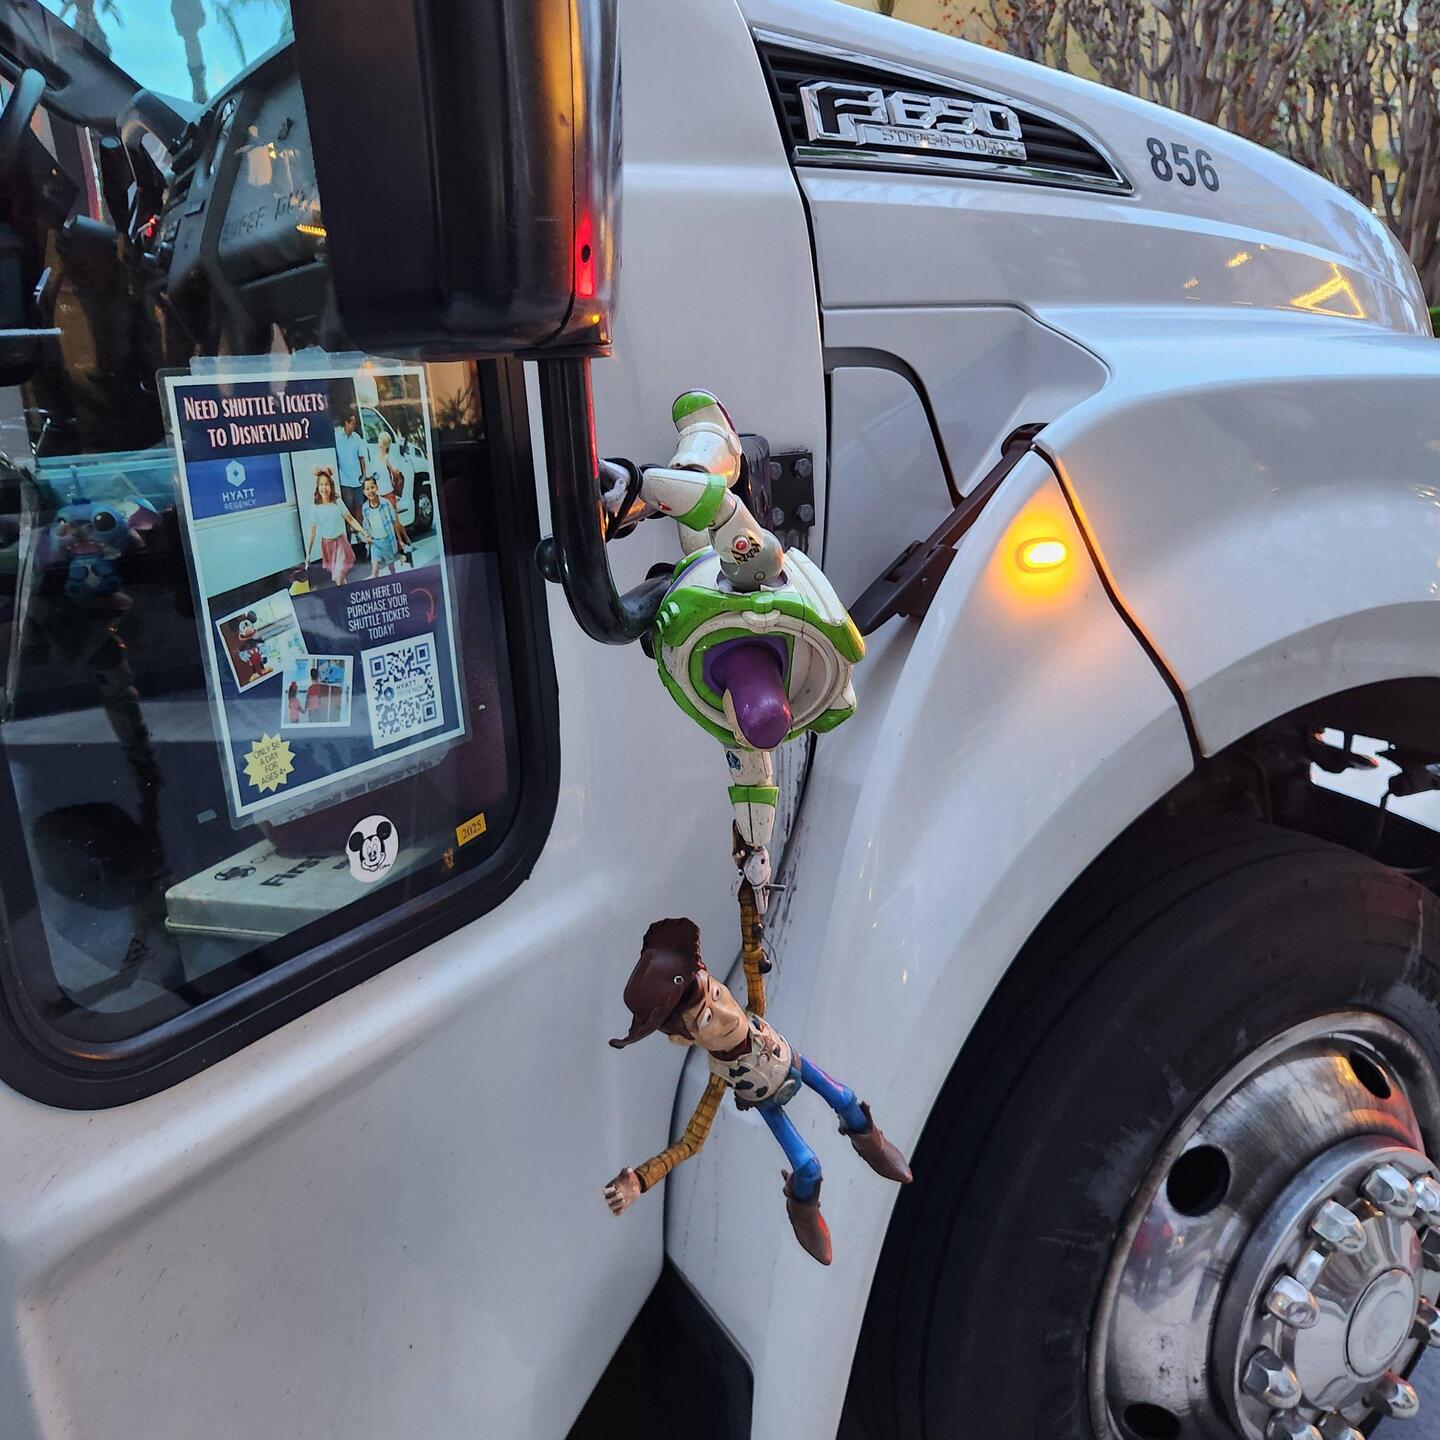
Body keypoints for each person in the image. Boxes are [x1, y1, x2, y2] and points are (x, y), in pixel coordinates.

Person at [602, 918, 911, 1265]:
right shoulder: (721, 1075)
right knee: (808, 1167)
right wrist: (641, 1180)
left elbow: (752, 947)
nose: (725, 1015)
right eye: (706, 1020)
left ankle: (873, 1145)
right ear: (683, 1039)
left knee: (844, 1098)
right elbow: (690, 1142)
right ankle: (803, 1210)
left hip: (795, 1064)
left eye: (717, 994)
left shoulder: (753, 1014)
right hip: (768, 1101)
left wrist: (751, 878)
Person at [304, 467, 368, 586]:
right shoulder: (315, 508)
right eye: (321, 485)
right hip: (327, 546)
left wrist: (363, 531)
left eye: (327, 484)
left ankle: (343, 598)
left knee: (338, 575)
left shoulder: (337, 502)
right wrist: (308, 554)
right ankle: (347, 593)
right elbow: (311, 533)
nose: (324, 488)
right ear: (318, 487)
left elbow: (349, 518)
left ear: (331, 486)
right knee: (340, 578)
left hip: (340, 543)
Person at [372, 432, 414, 562]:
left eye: (380, 441)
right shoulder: (376, 457)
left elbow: (396, 473)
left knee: (394, 519)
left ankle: (402, 542)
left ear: (385, 444)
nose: (378, 442)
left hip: (389, 492)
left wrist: (391, 468)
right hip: (380, 493)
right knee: (389, 520)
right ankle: (404, 540)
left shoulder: (389, 458)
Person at [334, 411, 369, 534]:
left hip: (357, 479)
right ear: (346, 423)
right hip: (345, 480)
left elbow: (362, 458)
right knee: (347, 508)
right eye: (352, 423)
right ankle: (348, 533)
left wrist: (364, 475)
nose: (354, 426)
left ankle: (360, 532)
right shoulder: (337, 437)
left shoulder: (357, 438)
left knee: (359, 505)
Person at [361, 474, 401, 577]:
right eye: (367, 489)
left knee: (391, 567)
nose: (370, 491)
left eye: (372, 487)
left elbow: (394, 521)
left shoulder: (386, 503)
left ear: (377, 488)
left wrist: (400, 539)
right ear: (364, 492)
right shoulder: (365, 508)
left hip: (386, 540)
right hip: (375, 543)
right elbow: (366, 525)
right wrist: (366, 537)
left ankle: (395, 581)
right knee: (375, 570)